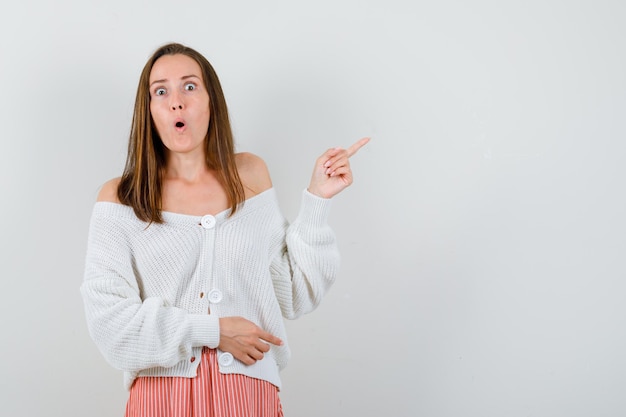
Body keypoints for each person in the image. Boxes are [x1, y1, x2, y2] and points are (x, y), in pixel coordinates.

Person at [81, 42, 369, 417]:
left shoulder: (248, 176)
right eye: (160, 91)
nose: (176, 102)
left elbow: (294, 293)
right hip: (161, 398)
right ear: (149, 110)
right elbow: (110, 324)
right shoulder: (122, 198)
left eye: (189, 86)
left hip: (249, 396)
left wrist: (317, 199)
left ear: (210, 100)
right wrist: (212, 331)